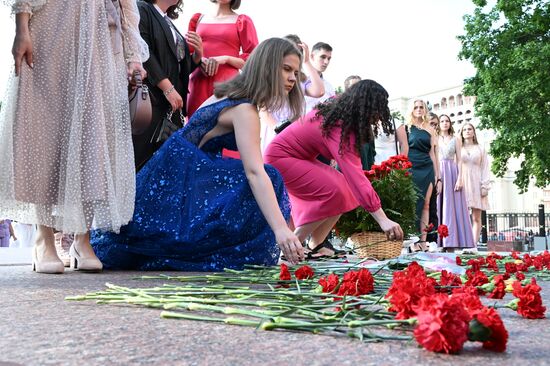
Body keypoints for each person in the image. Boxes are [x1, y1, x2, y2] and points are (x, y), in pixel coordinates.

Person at [91, 38, 305, 270]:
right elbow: (254, 172)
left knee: (259, 178)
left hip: (175, 173)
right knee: (269, 176)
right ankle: (219, 248)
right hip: (178, 181)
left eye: (295, 71)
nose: (293, 78)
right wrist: (280, 230)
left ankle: (212, 245)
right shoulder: (244, 109)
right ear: (267, 66)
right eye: (286, 69)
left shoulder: (231, 95)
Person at [0, 0, 148, 273]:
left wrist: (134, 55)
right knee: (45, 130)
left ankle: (83, 239)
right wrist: (22, 27)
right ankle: (44, 239)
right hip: (51, 27)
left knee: (93, 138)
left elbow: (126, 4)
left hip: (100, 37)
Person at [264, 80, 404, 258]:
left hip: (296, 157)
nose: (378, 116)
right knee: (336, 190)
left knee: (346, 191)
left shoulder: (339, 111)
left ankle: (316, 244)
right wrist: (383, 220)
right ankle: (293, 246)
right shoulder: (340, 125)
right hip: (280, 158)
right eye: (377, 109)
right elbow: (356, 177)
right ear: (364, 107)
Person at [133, 0, 203, 170]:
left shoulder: (169, 22)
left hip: (171, 107)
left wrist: (197, 55)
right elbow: (144, 52)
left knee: (160, 167)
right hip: (152, 100)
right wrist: (167, 88)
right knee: (141, 160)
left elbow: (178, 68)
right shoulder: (143, 9)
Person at [186, 0, 258, 117]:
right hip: (199, 83)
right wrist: (200, 59)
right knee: (194, 127)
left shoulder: (242, 21)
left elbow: (254, 61)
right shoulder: (197, 19)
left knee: (224, 128)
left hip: (227, 85)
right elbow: (186, 55)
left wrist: (226, 59)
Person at [259, 34, 324, 151]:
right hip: (273, 134)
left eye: (298, 52)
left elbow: (319, 91)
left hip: (292, 137)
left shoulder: (299, 80)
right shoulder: (269, 78)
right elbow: (263, 111)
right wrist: (279, 130)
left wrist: (307, 61)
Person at [436, 114, 475, 251]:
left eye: (447, 121)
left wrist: (460, 178)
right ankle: (439, 241)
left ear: (450, 123)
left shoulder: (456, 139)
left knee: (451, 207)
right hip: (438, 171)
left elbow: (459, 160)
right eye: (442, 121)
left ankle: (452, 241)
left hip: (452, 173)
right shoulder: (434, 138)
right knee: (439, 205)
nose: (445, 123)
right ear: (439, 123)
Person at [407, 100, 440, 248]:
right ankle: (411, 240)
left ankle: (422, 241)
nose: (419, 109)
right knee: (412, 205)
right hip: (411, 166)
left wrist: (437, 177)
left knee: (426, 205)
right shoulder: (407, 128)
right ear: (412, 110)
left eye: (421, 107)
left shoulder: (430, 129)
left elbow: (433, 154)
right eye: (416, 107)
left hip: (427, 167)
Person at [460, 122, 491, 244]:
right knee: (462, 215)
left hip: (477, 183)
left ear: (473, 132)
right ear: (461, 133)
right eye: (465, 129)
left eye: (470, 129)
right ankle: (463, 242)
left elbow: (485, 167)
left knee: (476, 217)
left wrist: (485, 186)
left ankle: (473, 244)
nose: (467, 131)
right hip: (462, 183)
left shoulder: (480, 148)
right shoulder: (459, 148)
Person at [304, 42, 335, 113]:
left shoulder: (329, 87)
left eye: (329, 58)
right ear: (312, 56)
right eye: (323, 57)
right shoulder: (298, 80)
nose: (326, 62)